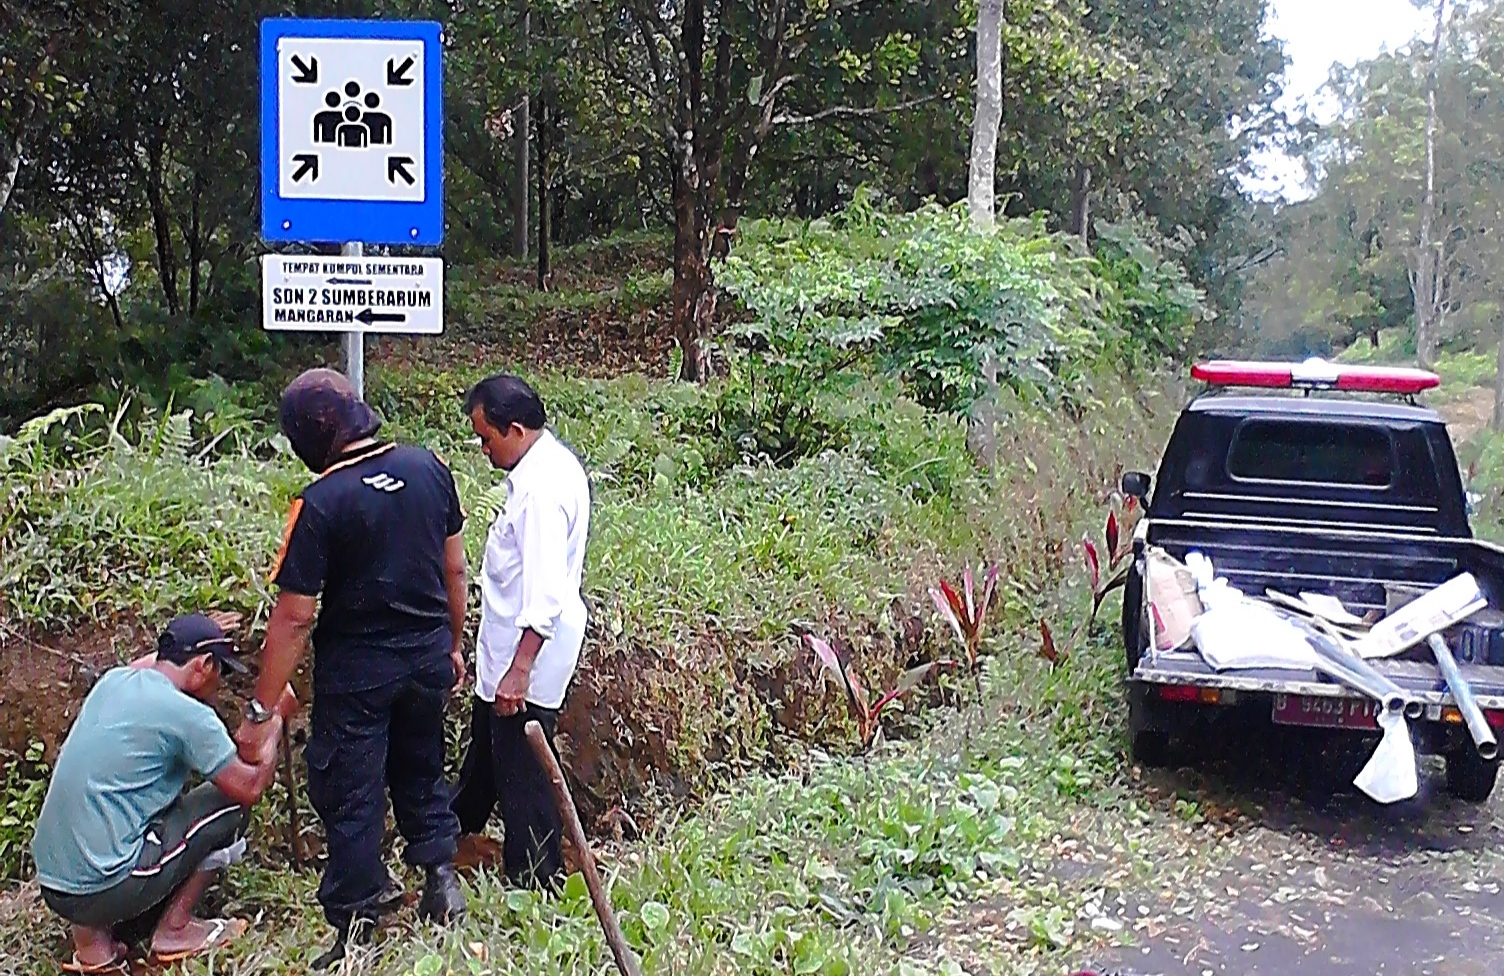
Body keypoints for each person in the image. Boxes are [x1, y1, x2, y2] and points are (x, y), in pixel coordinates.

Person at [235, 368, 468, 969]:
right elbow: (454, 572)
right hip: (426, 659)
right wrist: (453, 643)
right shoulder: (428, 468)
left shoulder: (320, 504)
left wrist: (262, 708)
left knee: (349, 788)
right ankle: (441, 879)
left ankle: (357, 925)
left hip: (360, 675)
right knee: (422, 765)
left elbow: (293, 618)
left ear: (313, 435)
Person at [31, 614, 295, 973]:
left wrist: (190, 637)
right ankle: (175, 930)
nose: (221, 684)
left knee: (110, 812)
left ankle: (92, 948)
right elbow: (248, 787)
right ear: (204, 665)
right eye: (222, 671)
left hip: (54, 884)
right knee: (229, 807)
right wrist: (275, 719)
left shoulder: (114, 682)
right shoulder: (190, 717)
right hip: (106, 886)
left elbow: (151, 665)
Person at [451, 373, 591, 890]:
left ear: (514, 430)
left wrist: (520, 669)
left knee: (523, 771)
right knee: (489, 749)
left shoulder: (540, 494)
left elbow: (544, 593)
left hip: (526, 654)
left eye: (487, 438)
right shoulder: (549, 466)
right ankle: (451, 833)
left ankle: (537, 877)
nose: (483, 449)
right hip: (509, 651)